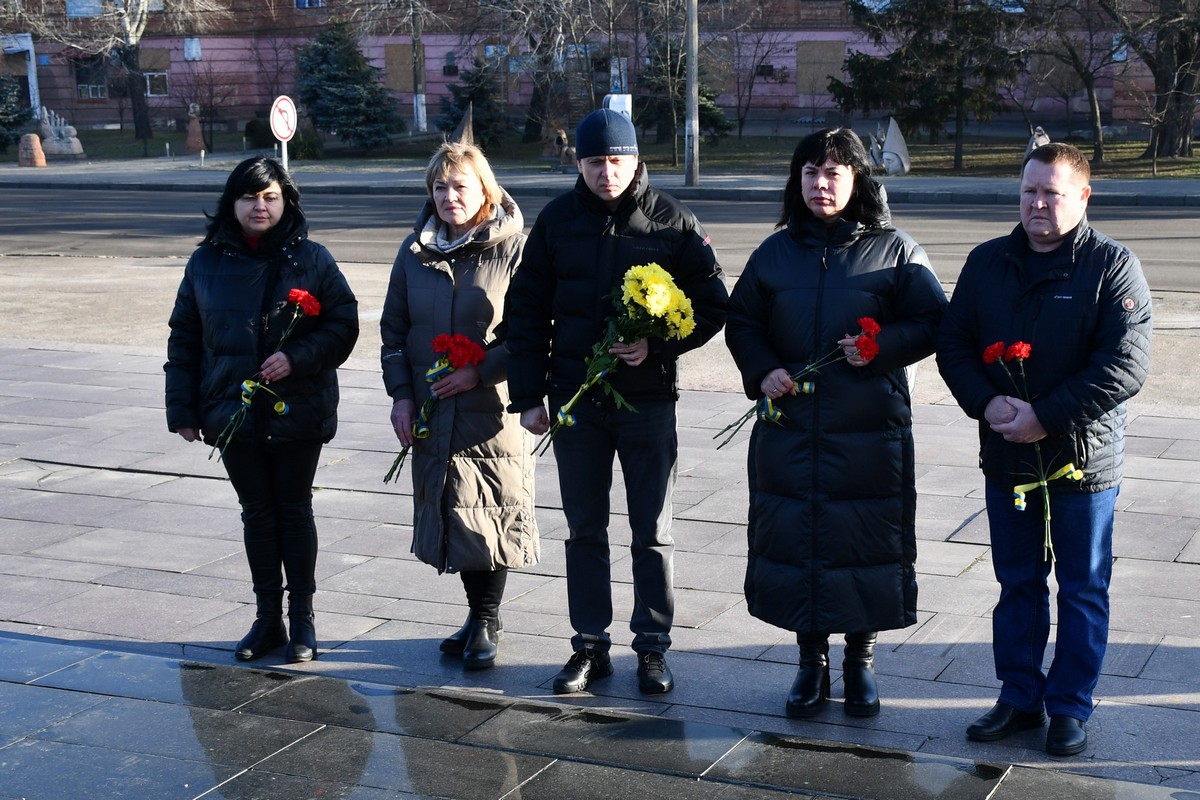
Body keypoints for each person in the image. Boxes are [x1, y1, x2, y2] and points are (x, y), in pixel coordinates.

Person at [504, 108, 729, 695]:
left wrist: (656, 343)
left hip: (647, 400)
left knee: (652, 529)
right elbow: (525, 312)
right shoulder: (556, 222)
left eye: (618, 159)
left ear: (635, 160)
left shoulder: (673, 222)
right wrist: (528, 395)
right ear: (578, 163)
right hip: (576, 400)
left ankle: (652, 647)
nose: (608, 172)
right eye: (595, 161)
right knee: (584, 528)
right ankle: (589, 644)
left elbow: (712, 306)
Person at [937, 142, 1151, 757]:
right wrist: (986, 403)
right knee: (1019, 580)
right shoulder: (986, 263)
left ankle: (1070, 707)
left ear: (1083, 197)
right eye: (1029, 191)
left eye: (1052, 193)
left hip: (1084, 456)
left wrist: (1045, 417)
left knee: (1083, 584)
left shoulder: (1112, 266)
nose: (1037, 204)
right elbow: (953, 343)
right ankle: (1020, 696)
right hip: (1008, 454)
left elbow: (1124, 364)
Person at [725, 128, 947, 719]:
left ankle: (861, 662)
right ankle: (809, 664)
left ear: (857, 180)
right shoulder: (774, 253)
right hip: (790, 428)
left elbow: (934, 323)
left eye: (834, 173)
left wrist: (882, 347)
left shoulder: (894, 251)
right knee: (800, 542)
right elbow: (742, 322)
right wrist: (764, 369)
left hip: (870, 432)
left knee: (865, 542)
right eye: (810, 173)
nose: (821, 185)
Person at [165, 156, 359, 664]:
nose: (260, 206)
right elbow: (184, 338)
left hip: (299, 410)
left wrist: (296, 357)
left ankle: (304, 621)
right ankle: (266, 619)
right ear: (233, 202)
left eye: (271, 197)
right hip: (231, 411)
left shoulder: (312, 259)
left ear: (286, 201)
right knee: (257, 514)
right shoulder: (205, 261)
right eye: (251, 196)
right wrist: (182, 408)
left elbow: (343, 327)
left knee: (293, 512)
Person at [380, 141, 539, 670]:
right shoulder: (414, 251)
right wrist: (402, 395)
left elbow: (532, 332)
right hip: (433, 405)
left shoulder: (515, 250)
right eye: (440, 187)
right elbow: (394, 333)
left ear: (485, 191)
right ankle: (475, 617)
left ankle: (488, 619)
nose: (449, 196)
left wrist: (481, 369)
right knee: (453, 508)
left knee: (487, 508)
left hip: (490, 409)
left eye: (460, 186)